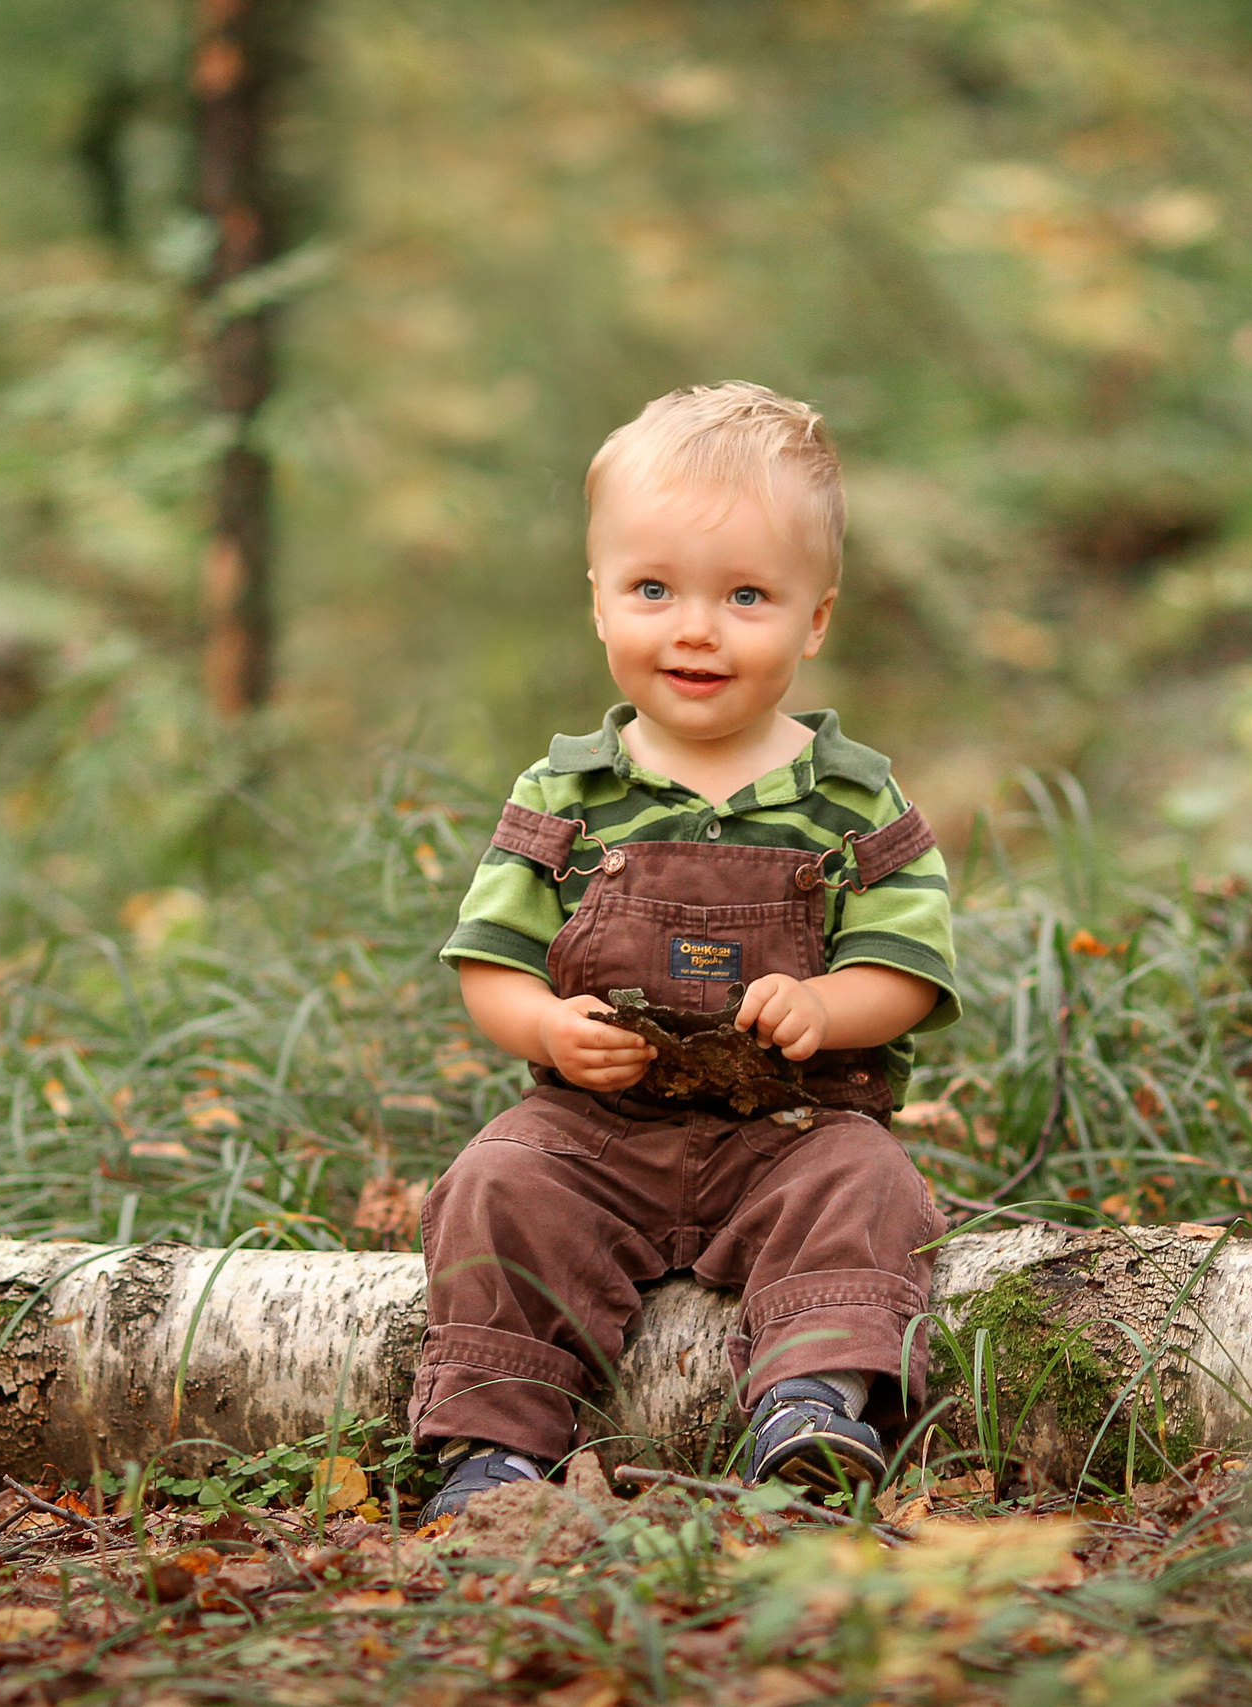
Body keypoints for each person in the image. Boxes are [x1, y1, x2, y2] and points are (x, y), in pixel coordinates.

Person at [415, 381, 960, 1521]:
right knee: (496, 1181)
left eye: (746, 595)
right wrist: (546, 1029)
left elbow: (907, 964)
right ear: (600, 605)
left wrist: (831, 1006)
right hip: (595, 1128)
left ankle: (811, 1403)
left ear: (815, 620)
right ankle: (493, 1449)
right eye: (653, 589)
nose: (695, 628)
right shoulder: (566, 794)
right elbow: (491, 960)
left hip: (791, 1129)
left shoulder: (851, 798)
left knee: (870, 1185)